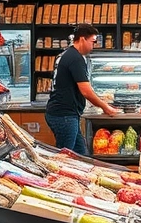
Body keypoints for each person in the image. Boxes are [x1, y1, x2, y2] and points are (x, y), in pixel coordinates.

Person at [44, 24, 118, 155]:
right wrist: (106, 107)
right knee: (65, 158)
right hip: (64, 116)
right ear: (83, 39)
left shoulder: (68, 54)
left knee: (81, 155)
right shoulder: (75, 58)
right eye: (93, 42)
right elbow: (86, 91)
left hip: (65, 114)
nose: (93, 46)